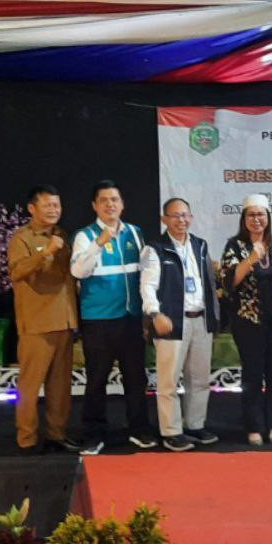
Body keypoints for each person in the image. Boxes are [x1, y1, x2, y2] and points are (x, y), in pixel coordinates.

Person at [71, 179, 154, 455]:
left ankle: (139, 430)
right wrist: (98, 244)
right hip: (98, 321)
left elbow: (145, 273)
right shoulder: (85, 235)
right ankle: (94, 434)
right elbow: (78, 272)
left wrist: (146, 314)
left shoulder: (135, 232)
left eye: (115, 200)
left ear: (122, 204)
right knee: (96, 379)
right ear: (94, 205)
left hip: (130, 319)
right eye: (104, 200)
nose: (110, 205)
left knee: (135, 378)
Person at [221, 193, 272, 446]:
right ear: (244, 219)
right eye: (251, 215)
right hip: (248, 321)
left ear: (268, 218)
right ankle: (254, 426)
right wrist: (250, 260)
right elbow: (229, 282)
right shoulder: (234, 246)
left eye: (261, 214)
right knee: (253, 376)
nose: (256, 219)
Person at [139, 198, 220, 452]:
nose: (180, 220)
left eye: (185, 215)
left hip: (200, 320)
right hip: (171, 321)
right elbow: (147, 286)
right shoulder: (154, 249)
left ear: (191, 217)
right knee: (168, 381)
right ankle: (171, 431)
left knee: (199, 379)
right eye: (174, 216)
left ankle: (195, 425)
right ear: (164, 219)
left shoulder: (201, 245)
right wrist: (154, 313)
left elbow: (208, 281)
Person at [8, 185, 79, 455]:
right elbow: (17, 272)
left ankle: (56, 435)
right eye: (47, 205)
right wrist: (45, 251)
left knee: (60, 388)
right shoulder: (22, 238)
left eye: (57, 206)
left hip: (64, 321)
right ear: (32, 208)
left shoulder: (61, 235)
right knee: (29, 386)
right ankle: (26, 439)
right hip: (36, 325)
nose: (53, 210)